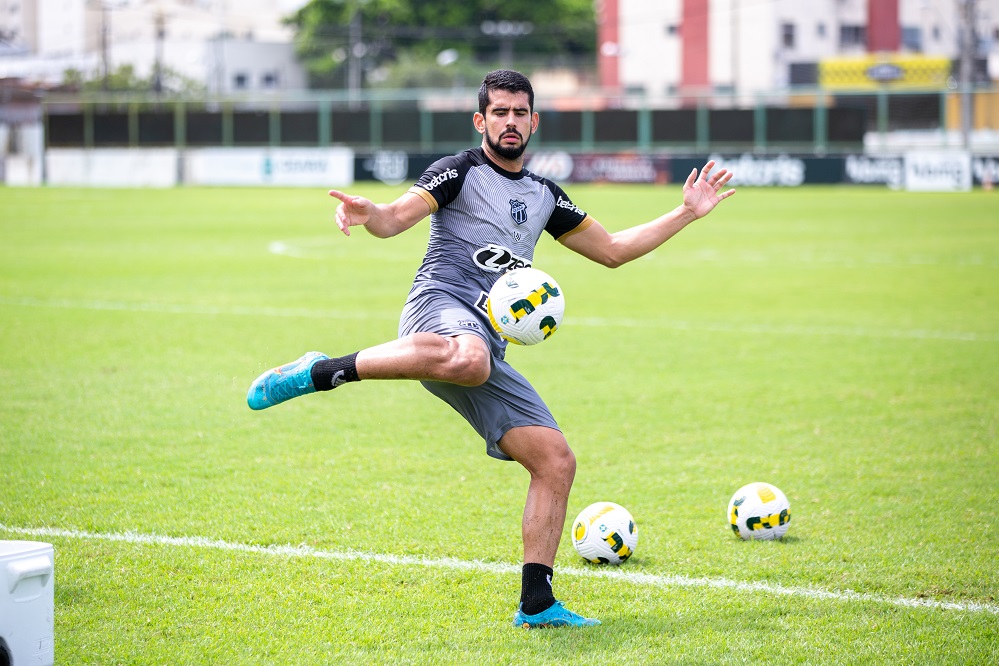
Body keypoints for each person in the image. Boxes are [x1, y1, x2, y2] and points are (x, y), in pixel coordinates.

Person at [247, 69, 735, 628]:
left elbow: (615, 251)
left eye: (518, 112)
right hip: (439, 312)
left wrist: (687, 213)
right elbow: (396, 218)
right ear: (481, 120)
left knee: (555, 461)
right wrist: (372, 215)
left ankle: (537, 604)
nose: (509, 122)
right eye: (498, 112)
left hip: (486, 347)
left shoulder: (545, 196)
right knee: (469, 359)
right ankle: (322, 371)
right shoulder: (458, 171)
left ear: (533, 122)